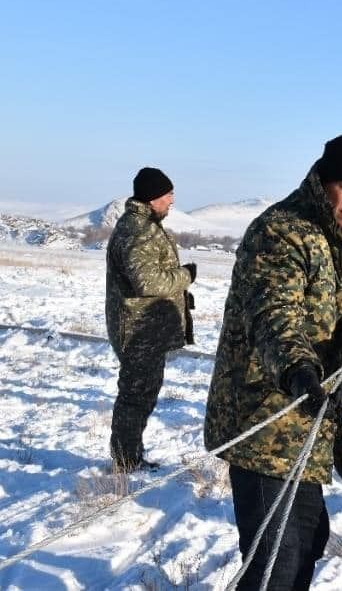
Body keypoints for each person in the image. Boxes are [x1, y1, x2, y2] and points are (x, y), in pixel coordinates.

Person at [204, 133, 342, 591]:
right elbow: (274, 312)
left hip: (306, 423)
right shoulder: (281, 230)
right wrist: (296, 367)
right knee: (278, 558)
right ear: (323, 180)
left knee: (306, 539)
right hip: (265, 416)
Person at [105, 166, 197, 473]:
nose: (172, 200)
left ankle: (129, 455)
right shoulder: (139, 230)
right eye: (168, 194)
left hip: (145, 329)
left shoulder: (144, 225)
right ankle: (126, 460)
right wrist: (185, 276)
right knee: (135, 396)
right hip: (138, 331)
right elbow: (148, 283)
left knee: (141, 394)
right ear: (154, 197)